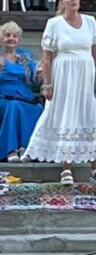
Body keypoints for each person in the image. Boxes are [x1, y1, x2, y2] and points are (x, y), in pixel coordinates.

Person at [24, 0, 96, 185]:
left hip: (86, 75)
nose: (73, 0)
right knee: (65, 115)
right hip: (64, 76)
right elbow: (47, 59)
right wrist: (47, 84)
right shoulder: (54, 24)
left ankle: (95, 167)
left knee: (90, 115)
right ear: (61, 1)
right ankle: (66, 167)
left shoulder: (90, 21)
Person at [0, 21, 42, 162]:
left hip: (25, 97)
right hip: (3, 98)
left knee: (37, 109)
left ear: (19, 39)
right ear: (2, 38)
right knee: (14, 106)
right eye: (7, 35)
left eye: (15, 36)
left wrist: (39, 77)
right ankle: (10, 150)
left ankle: (25, 148)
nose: (11, 38)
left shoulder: (25, 57)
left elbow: (34, 85)